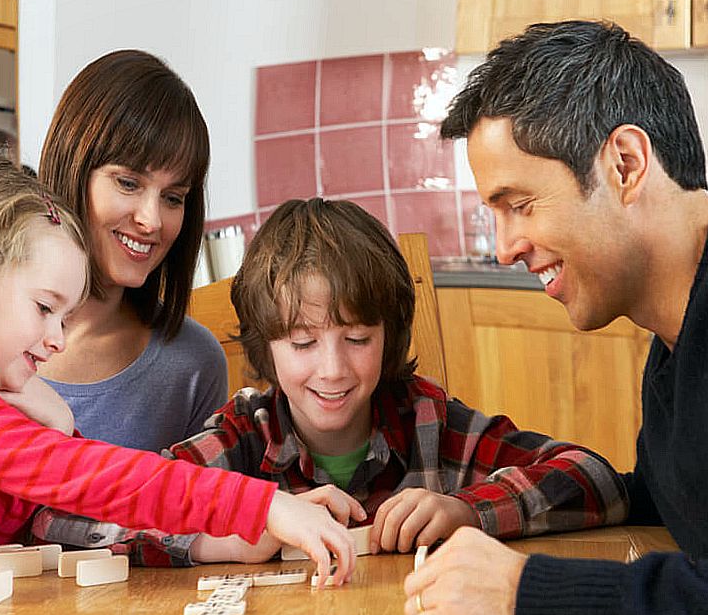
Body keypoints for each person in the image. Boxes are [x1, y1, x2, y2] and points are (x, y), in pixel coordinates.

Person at [0, 147, 357, 607]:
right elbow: (96, 478)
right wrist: (265, 505)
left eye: (65, 317)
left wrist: (52, 420)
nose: (57, 340)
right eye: (44, 308)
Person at [402, 20, 708, 615]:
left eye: (521, 204)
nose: (507, 246)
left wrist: (530, 598)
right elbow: (670, 500)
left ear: (624, 164)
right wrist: (477, 510)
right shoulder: (679, 336)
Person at [31, 197, 629, 567]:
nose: (334, 369)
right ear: (264, 347)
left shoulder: (430, 420)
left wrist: (467, 511)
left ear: (389, 337)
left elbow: (598, 479)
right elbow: (62, 519)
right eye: (302, 342)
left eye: (358, 339)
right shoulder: (245, 434)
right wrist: (232, 530)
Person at [0, 50, 227, 453]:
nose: (152, 220)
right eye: (128, 183)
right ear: (74, 166)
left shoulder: (192, 365)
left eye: (174, 198)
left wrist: (59, 437)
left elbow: (188, 507)